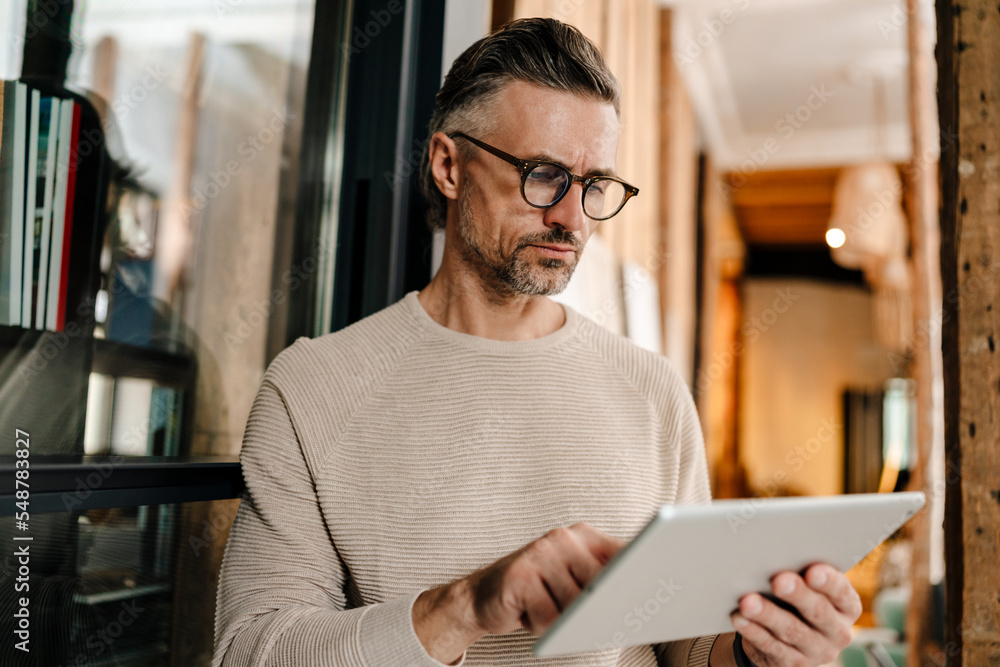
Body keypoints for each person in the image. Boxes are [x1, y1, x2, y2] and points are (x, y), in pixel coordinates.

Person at [213, 18, 861, 667]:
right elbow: (249, 652)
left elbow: (682, 642)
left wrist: (760, 648)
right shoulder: (309, 388)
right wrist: (464, 606)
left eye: (594, 185)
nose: (572, 218)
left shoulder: (653, 389)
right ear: (448, 164)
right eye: (544, 175)